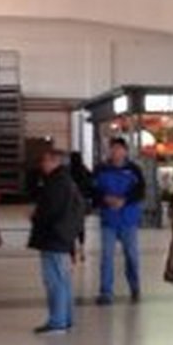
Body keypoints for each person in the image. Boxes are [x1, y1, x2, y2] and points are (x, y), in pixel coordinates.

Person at [28, 147, 84, 334]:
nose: (42, 164)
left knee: (55, 281)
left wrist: (35, 216)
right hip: (61, 237)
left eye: (45, 161)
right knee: (63, 280)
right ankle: (65, 318)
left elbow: (50, 211)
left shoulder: (56, 183)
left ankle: (58, 322)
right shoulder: (64, 181)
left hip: (54, 238)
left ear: (55, 161)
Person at [94, 136, 146, 304]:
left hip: (128, 220)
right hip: (108, 220)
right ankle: (106, 292)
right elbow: (93, 190)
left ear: (125, 151)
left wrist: (124, 200)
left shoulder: (134, 170)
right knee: (106, 257)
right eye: (113, 148)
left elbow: (140, 191)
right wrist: (105, 199)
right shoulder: (101, 169)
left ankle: (135, 287)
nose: (116, 152)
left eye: (119, 149)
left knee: (131, 256)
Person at [68, 150, 95, 262]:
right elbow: (91, 183)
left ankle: (72, 254)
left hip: (70, 203)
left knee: (69, 227)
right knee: (80, 226)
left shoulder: (68, 171)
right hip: (82, 202)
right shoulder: (84, 170)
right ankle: (82, 249)